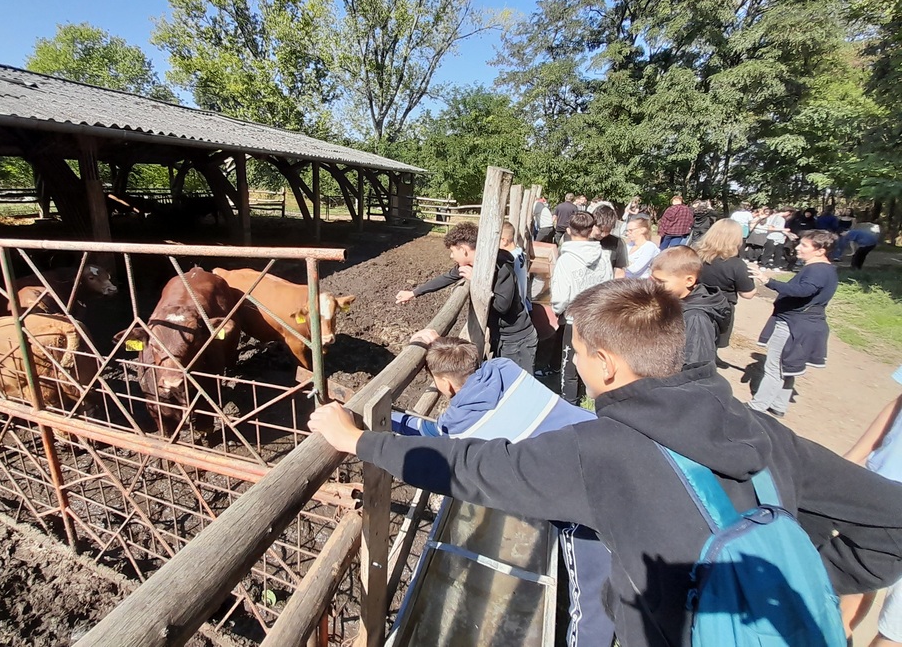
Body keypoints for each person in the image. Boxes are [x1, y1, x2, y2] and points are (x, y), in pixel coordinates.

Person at [309, 278, 902, 647]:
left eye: (580, 354)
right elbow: (891, 527)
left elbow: (470, 467)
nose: (579, 367)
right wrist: (799, 578)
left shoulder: (600, 450)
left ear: (607, 365)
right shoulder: (761, 429)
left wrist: (360, 440)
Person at [391, 329, 615, 647]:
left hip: (582, 494)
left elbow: (436, 435)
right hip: (602, 439)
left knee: (590, 602)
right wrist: (443, 345)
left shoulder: (462, 425)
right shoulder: (506, 370)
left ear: (445, 384)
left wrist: (393, 420)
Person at [395, 222, 537, 373]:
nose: (451, 256)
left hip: (517, 340)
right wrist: (414, 293)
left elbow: (502, 306)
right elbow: (446, 278)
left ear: (463, 250)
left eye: (452, 251)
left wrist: (475, 280)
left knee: (516, 385)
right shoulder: (472, 265)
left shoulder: (501, 267)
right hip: (501, 337)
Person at [840, 365, 902, 647]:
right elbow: (899, 402)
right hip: (883, 491)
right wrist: (852, 458)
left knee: (895, 629)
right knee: (852, 587)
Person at [747, 229, 838, 418]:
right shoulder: (825, 269)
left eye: (804, 245)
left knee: (774, 368)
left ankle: (757, 407)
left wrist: (767, 281)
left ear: (820, 250)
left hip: (794, 325)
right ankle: (779, 405)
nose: (798, 248)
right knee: (786, 367)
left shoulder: (817, 270)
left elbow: (803, 290)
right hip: (804, 324)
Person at [550, 211, 613, 405]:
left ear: (569, 230)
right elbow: (608, 284)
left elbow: (561, 296)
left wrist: (558, 309)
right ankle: (592, 393)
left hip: (574, 319)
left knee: (570, 363)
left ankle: (570, 401)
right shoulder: (603, 256)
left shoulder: (566, 260)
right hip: (596, 315)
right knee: (593, 357)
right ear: (591, 229)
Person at [650, 246, 730, 366]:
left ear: (689, 281)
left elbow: (696, 364)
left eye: (660, 282)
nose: (654, 286)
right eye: (653, 280)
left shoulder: (696, 318)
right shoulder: (674, 300)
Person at [695, 219, 757, 348]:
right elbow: (748, 294)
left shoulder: (695, 255)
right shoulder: (737, 265)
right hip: (720, 308)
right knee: (712, 344)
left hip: (695, 302)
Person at [499, 221, 531, 313]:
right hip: (523, 306)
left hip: (516, 310)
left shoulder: (510, 260)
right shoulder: (519, 252)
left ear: (504, 241)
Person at [590, 205, 628, 279]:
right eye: (600, 230)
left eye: (607, 231)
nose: (603, 235)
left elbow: (619, 271)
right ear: (593, 224)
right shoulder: (581, 241)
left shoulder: (617, 243)